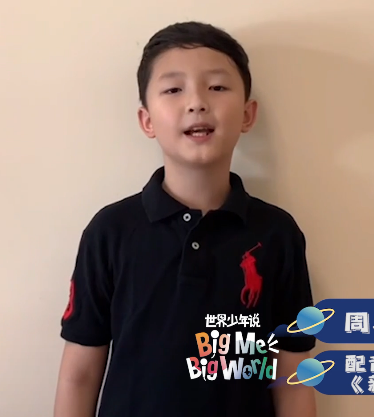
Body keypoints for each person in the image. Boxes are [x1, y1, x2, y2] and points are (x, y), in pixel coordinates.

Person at [53, 21, 317, 417]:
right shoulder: (110, 231)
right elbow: (79, 375)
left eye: (217, 87)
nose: (197, 102)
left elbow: (291, 372)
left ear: (247, 115)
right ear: (146, 120)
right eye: (174, 89)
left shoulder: (277, 233)